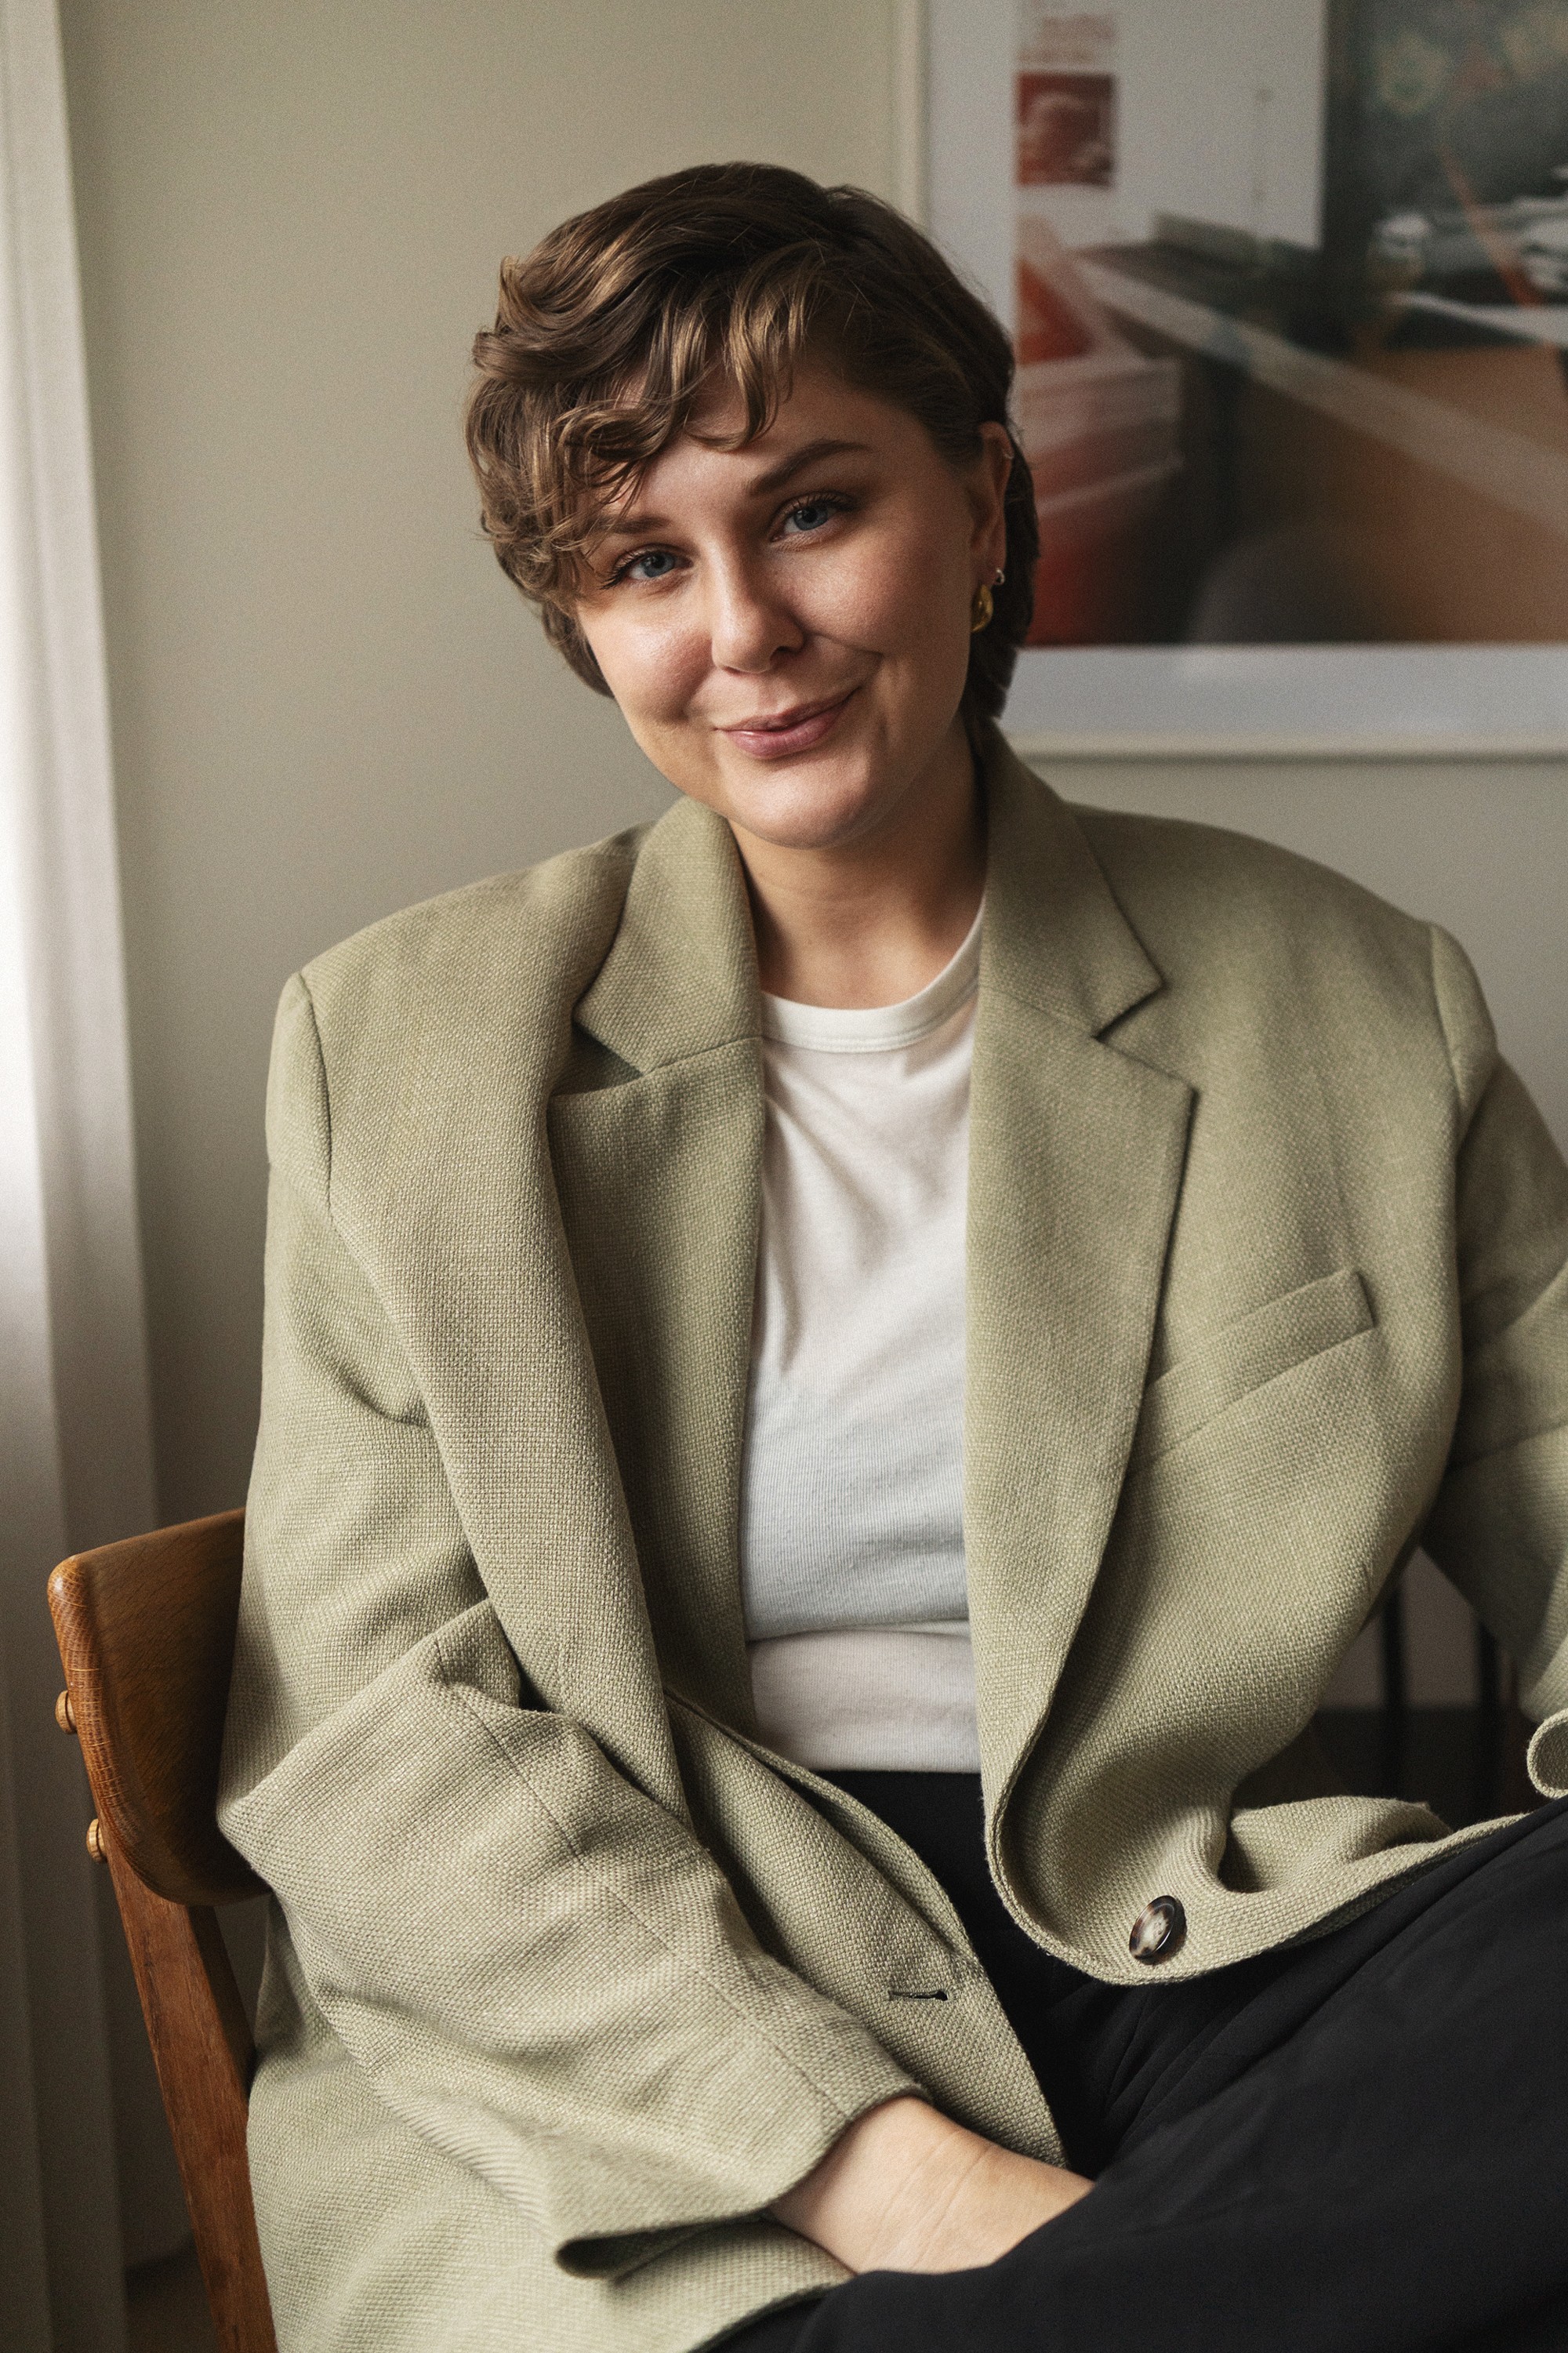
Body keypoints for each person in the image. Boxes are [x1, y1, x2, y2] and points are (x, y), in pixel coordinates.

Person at [218, 162, 1568, 2353]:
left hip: (1193, 1945)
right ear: (586, 622)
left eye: (814, 509)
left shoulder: (1349, 997)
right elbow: (383, 1733)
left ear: (987, 501)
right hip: (652, 1989)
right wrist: (894, 2170)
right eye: (647, 560)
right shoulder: (394, 1049)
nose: (740, 626)